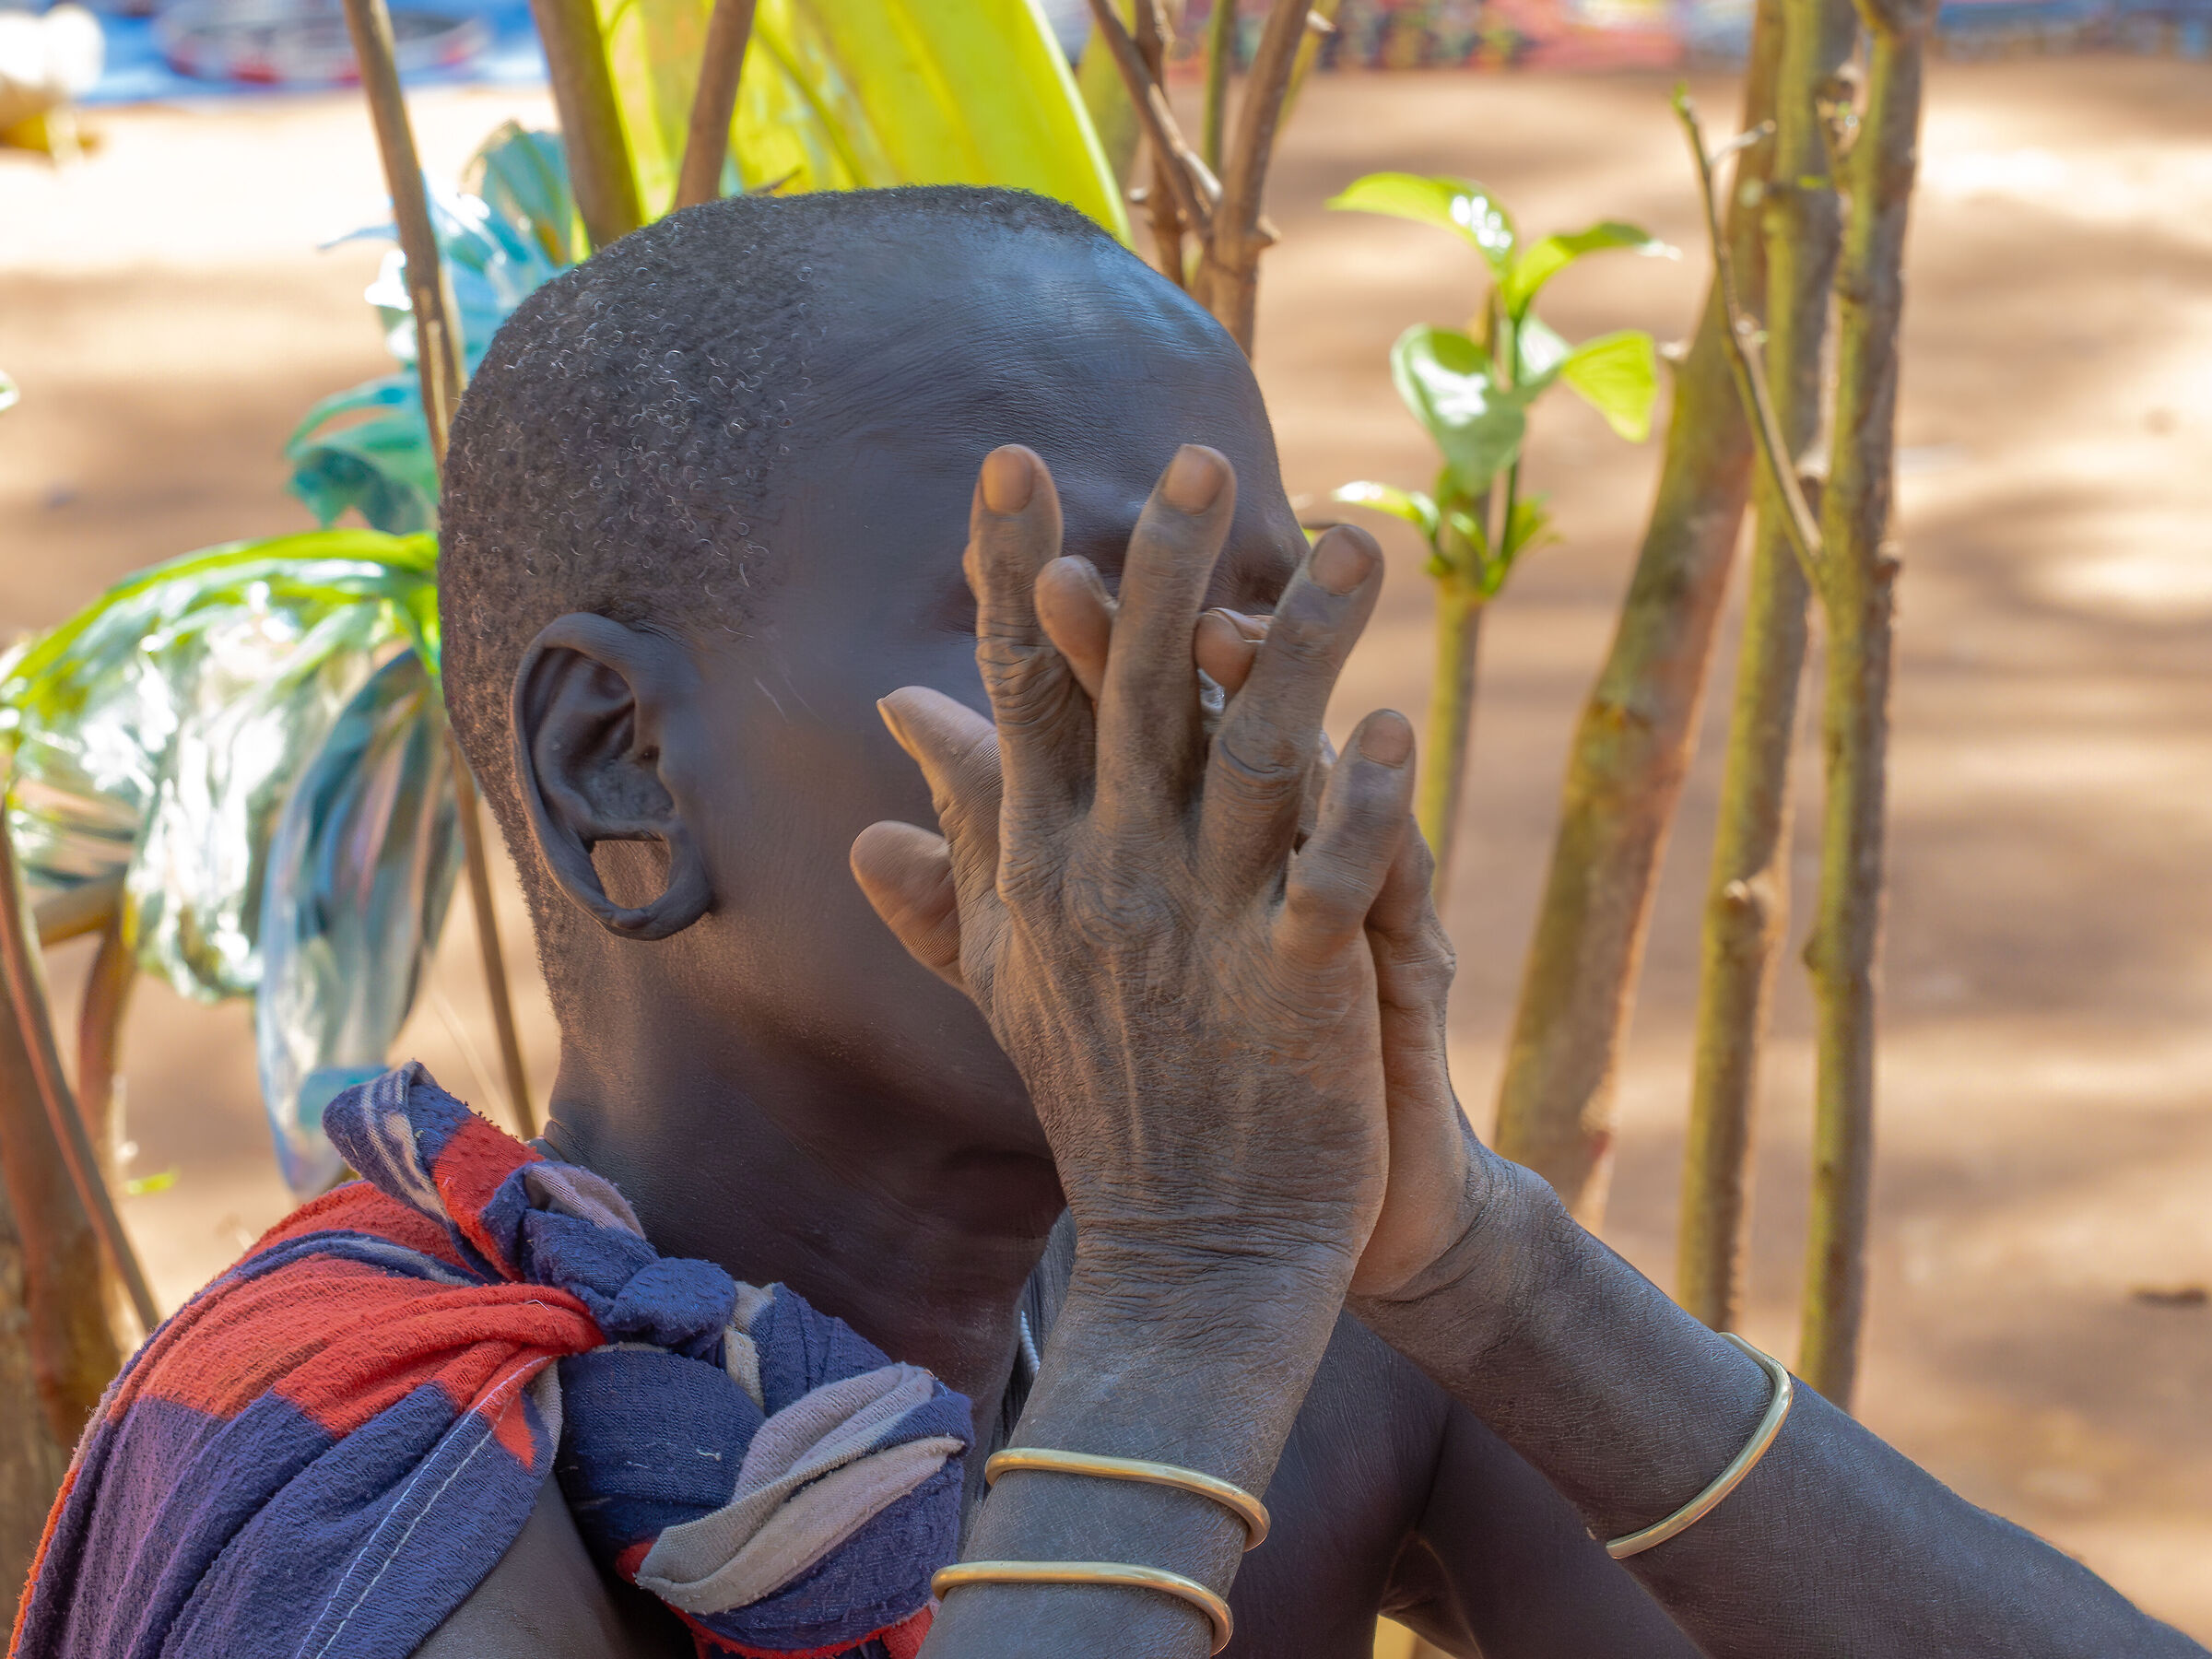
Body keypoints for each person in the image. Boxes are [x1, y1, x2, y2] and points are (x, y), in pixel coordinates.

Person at [12, 186, 2199, 1659]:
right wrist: (1197, 1287)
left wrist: (1480, 1264)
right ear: (621, 771)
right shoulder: (372, 1464)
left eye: (1251, 636)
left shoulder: (1325, 1358)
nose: (1232, 742)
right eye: (1077, 632)